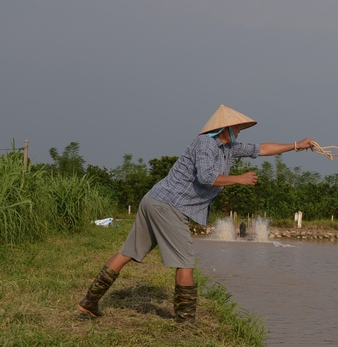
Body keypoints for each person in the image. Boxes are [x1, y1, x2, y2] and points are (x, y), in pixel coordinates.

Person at [77, 105, 316, 323]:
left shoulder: (228, 148)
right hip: (169, 205)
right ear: (225, 127)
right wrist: (239, 179)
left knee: (127, 253)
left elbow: (262, 148)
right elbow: (206, 176)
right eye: (238, 127)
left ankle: (89, 303)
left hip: (156, 200)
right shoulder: (205, 144)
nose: (241, 131)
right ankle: (185, 320)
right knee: (185, 263)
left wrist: (296, 145)